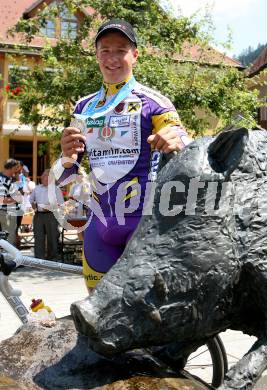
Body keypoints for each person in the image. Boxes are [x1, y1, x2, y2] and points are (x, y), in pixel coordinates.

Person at [54, 19, 191, 292]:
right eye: (105, 50)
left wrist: (178, 141)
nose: (112, 58)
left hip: (142, 222)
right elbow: (66, 174)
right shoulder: (84, 107)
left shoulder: (155, 103)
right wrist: (64, 156)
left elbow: (186, 146)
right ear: (96, 56)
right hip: (99, 226)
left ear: (135, 55)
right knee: (99, 315)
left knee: (144, 315)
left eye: (121, 50)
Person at [30, 169, 64, 260]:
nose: (43, 177)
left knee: (52, 237)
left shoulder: (56, 189)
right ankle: (39, 258)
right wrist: (33, 205)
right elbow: (31, 200)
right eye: (43, 176)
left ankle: (52, 258)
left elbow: (61, 204)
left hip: (51, 215)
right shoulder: (36, 189)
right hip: (38, 215)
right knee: (38, 237)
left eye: (45, 176)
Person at [0, 159, 22, 245]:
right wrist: (16, 199)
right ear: (12, 168)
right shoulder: (2, 180)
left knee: (9, 238)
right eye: (16, 168)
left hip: (10, 213)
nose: (18, 171)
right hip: (6, 213)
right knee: (9, 239)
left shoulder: (9, 179)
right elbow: (1, 200)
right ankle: (8, 258)